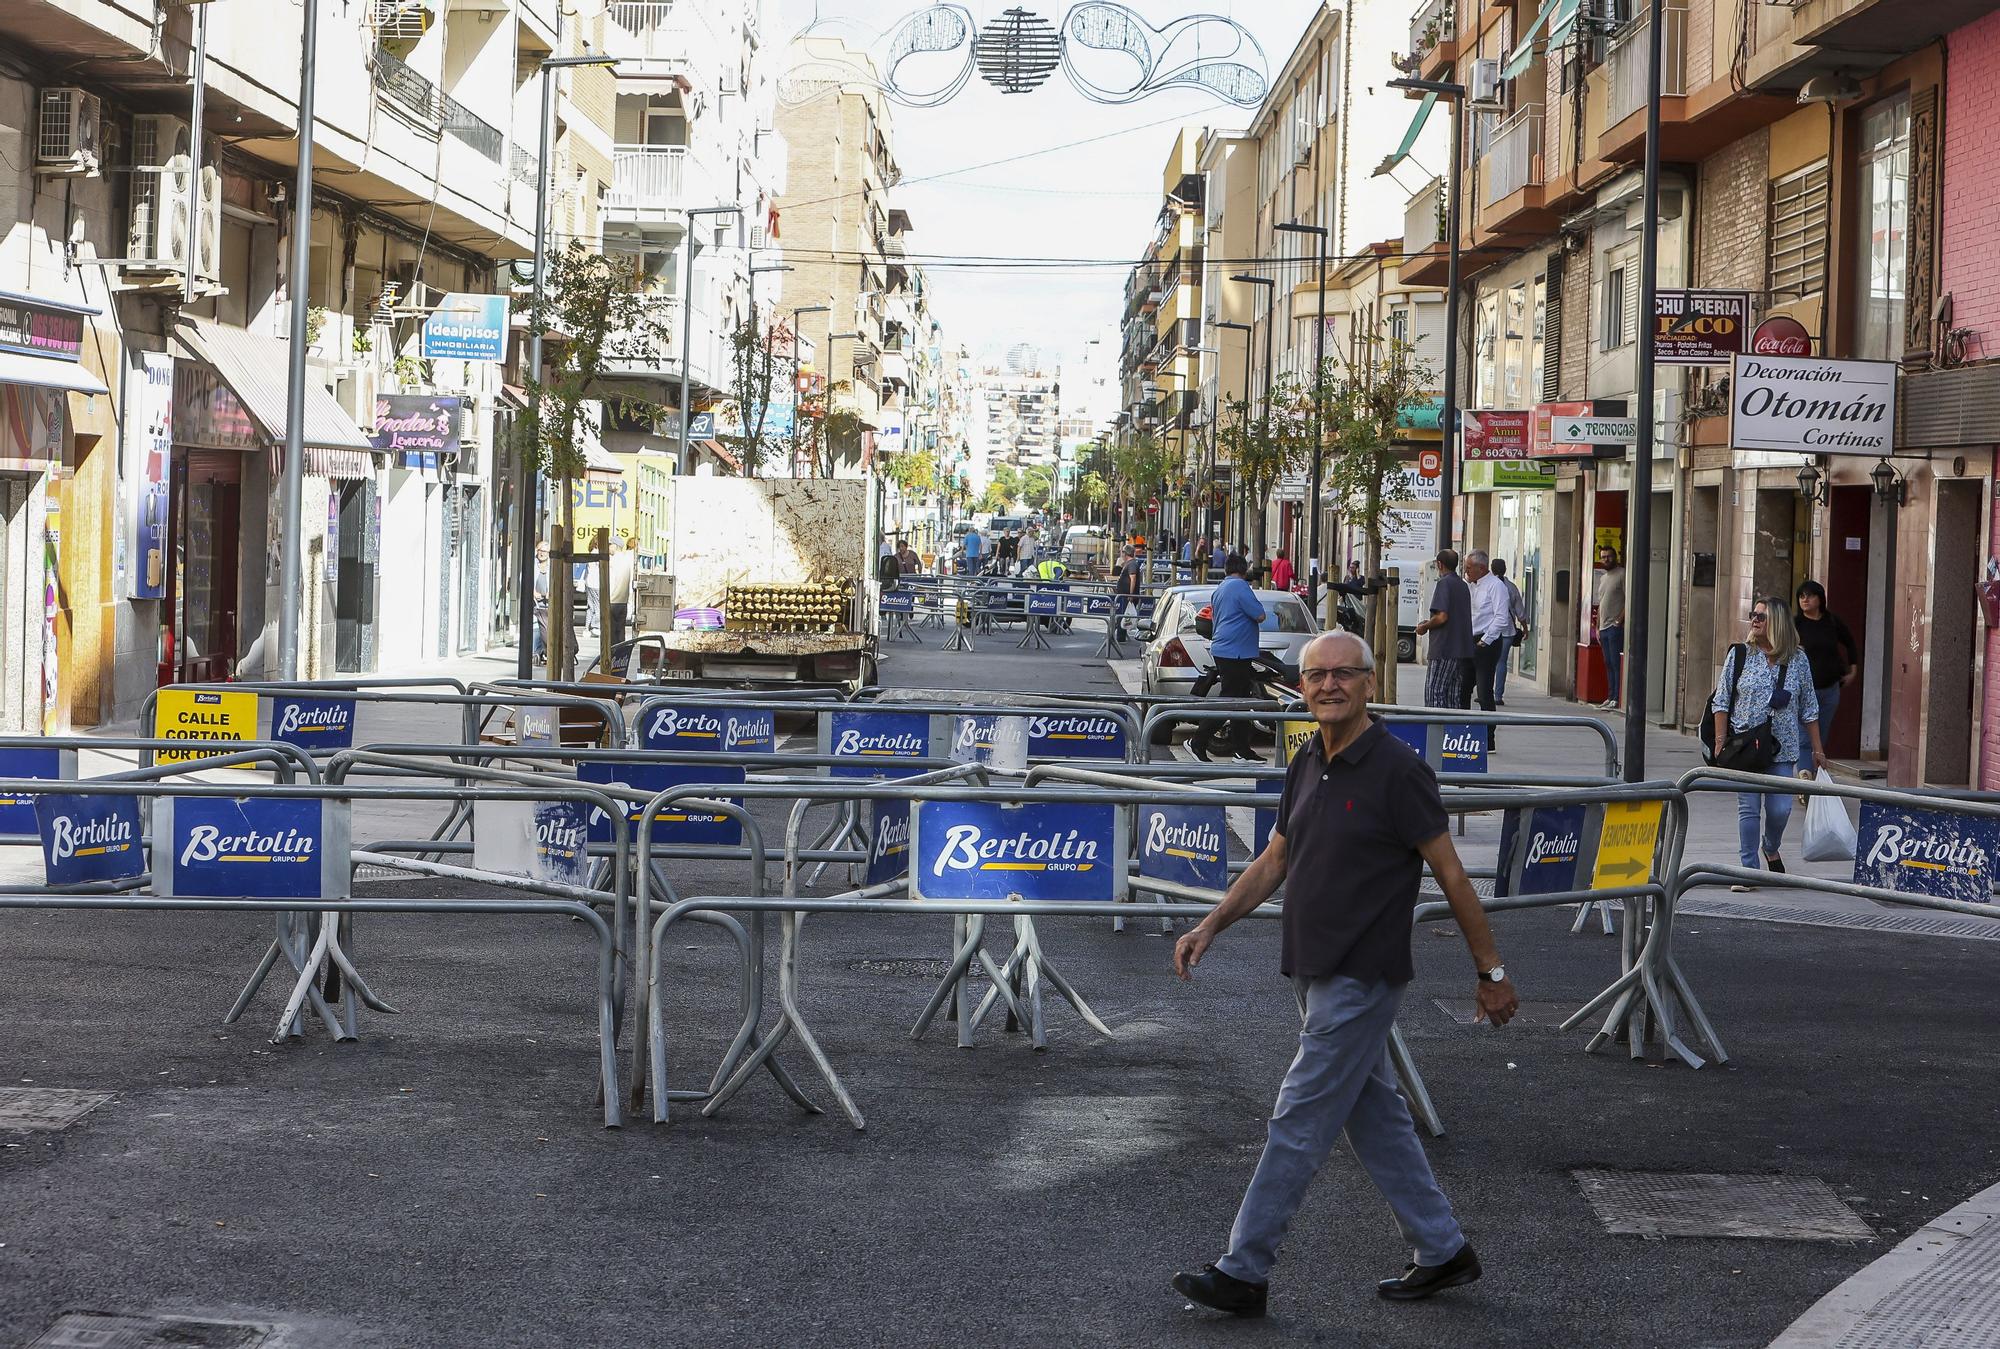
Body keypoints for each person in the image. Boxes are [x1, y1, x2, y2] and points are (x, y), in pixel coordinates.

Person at [1170, 630, 1517, 1319]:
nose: (1328, 685)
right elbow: (1275, 859)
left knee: (1297, 1116)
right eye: (1315, 675)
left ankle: (1245, 1268)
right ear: (1300, 688)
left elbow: (1451, 874)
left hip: (1363, 973)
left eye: (1342, 675)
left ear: (1368, 682)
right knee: (1376, 1116)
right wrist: (1211, 923)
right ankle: (1442, 1248)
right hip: (1313, 967)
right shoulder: (1305, 760)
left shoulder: (1398, 769)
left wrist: (1491, 969)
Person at [1711, 599, 1827, 890]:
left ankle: (1770, 846)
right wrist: (1720, 739)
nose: (1755, 620)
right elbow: (1722, 700)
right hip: (1745, 747)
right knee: (1748, 809)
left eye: (1761, 616)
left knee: (1780, 810)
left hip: (1782, 749)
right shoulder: (1739, 655)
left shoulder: (1798, 660)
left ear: (1777, 622)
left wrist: (1817, 749)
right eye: (1753, 615)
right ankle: (1748, 872)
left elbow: (1809, 708)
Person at [1191, 554, 1267, 763]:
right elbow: (1260, 615)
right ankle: (1198, 740)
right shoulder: (1241, 587)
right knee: (1231, 700)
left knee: (1240, 701)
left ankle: (1242, 750)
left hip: (1226, 649)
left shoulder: (1221, 588)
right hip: (1236, 651)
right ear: (1243, 570)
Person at [1793, 580, 1859, 747]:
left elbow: (1850, 642)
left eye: (1810, 596)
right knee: (1804, 736)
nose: (1805, 600)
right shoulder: (1795, 624)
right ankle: (1804, 773)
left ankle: (1816, 771)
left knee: (1820, 735)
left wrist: (1853, 669)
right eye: (1801, 596)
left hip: (1830, 687)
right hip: (1804, 688)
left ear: (1820, 599)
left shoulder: (1831, 621)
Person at [1414, 549, 1474, 710]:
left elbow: (1442, 616)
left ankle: (1437, 733)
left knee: (1434, 693)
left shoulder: (1444, 583)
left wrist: (1424, 627)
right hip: (1461, 649)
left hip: (1444, 648)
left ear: (1440, 564)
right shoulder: (1462, 585)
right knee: (1453, 696)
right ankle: (1452, 733)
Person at [1467, 551, 1509, 727]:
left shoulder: (1495, 586)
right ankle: (1463, 731)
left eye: (1469, 568)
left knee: (1484, 692)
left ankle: (1488, 736)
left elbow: (1501, 617)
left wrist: (1485, 640)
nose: (1466, 571)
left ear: (1481, 568)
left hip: (1486, 641)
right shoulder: (1471, 585)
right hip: (1469, 639)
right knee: (1463, 688)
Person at [1594, 546, 1626, 710]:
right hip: (1604, 628)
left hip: (1615, 627)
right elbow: (1601, 604)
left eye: (1609, 556)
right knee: (1608, 662)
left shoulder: (1622, 574)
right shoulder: (1603, 577)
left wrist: (1619, 621)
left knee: (1615, 662)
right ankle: (1610, 695)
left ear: (1615, 557)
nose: (1606, 559)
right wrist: (1598, 627)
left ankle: (1617, 698)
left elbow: (1629, 600)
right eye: (1603, 557)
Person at [1491, 559, 1526, 707]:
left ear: (1491, 570)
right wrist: (1525, 627)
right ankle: (1498, 696)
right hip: (1508, 630)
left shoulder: (1489, 586)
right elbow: (1520, 611)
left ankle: (1485, 692)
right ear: (1505, 570)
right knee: (1501, 662)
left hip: (1490, 630)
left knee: (1487, 662)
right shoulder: (1511, 587)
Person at [605, 535, 638, 649]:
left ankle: (611, 656)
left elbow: (610, 581)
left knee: (610, 633)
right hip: (623, 601)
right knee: (620, 631)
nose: (608, 548)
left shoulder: (612, 561)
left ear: (615, 546)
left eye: (609, 545)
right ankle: (620, 656)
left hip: (612, 600)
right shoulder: (626, 560)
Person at [1113, 544, 1145, 641]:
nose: (1121, 554)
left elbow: (1133, 578)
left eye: (1122, 552)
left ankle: (1120, 637)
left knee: (1123, 616)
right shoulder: (1129, 563)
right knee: (1122, 616)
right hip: (1125, 595)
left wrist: (1130, 594)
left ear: (1125, 553)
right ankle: (1119, 636)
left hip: (1127, 596)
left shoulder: (1131, 564)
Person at [532, 539, 551, 663]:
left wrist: (552, 593)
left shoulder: (552, 565)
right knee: (536, 627)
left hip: (549, 602)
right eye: (540, 550)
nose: (542, 553)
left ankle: (546, 650)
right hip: (535, 602)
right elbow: (524, 580)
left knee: (547, 628)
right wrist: (532, 592)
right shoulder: (532, 564)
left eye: (544, 551)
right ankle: (536, 652)